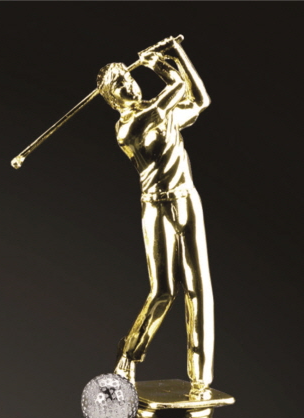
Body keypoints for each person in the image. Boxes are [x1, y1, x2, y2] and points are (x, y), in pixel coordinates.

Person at [97, 37, 214, 398]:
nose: (128, 84)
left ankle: (201, 378)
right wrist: (163, 61)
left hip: (187, 200)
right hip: (156, 207)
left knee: (199, 288)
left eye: (127, 77)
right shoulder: (128, 128)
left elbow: (199, 99)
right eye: (118, 84)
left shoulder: (160, 114)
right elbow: (176, 88)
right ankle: (128, 356)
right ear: (111, 98)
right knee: (163, 290)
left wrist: (175, 54)